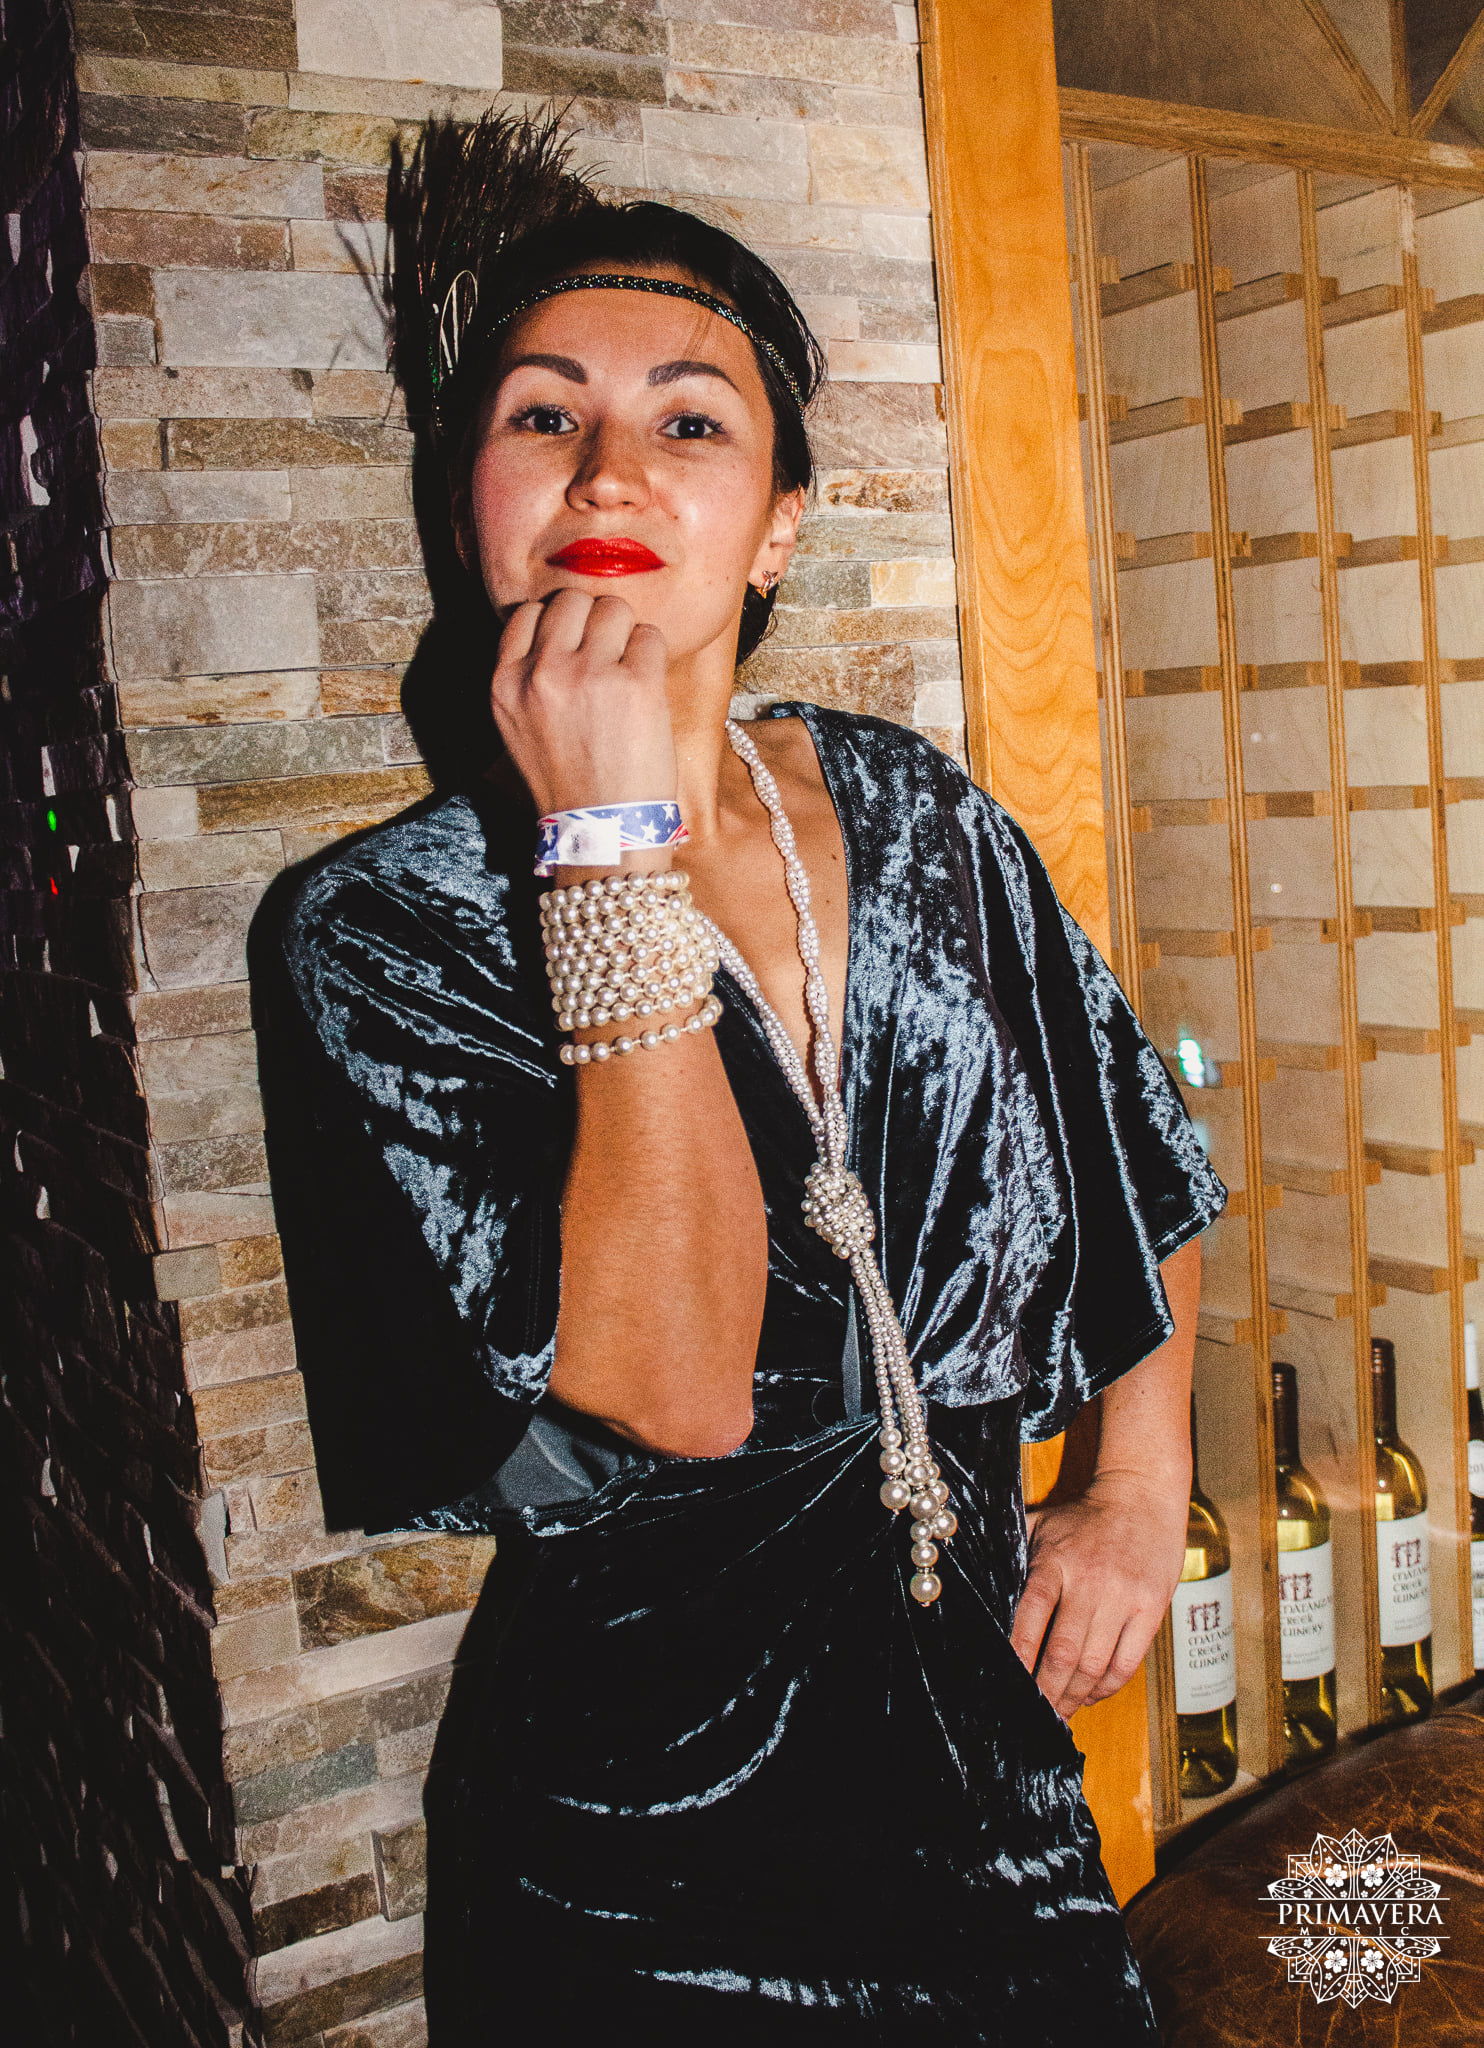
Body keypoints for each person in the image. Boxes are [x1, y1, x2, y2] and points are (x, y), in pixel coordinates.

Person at [272, 110, 1223, 2044]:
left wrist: (1138, 1483)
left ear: (782, 521)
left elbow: (1135, 1146)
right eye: (544, 415)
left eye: (689, 421)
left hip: (997, 1794)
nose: (609, 467)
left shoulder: (917, 815)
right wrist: (608, 846)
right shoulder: (375, 933)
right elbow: (682, 1385)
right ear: (469, 504)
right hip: (633, 1866)